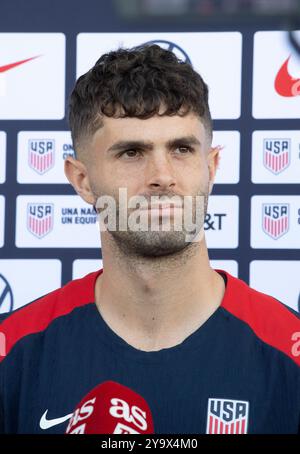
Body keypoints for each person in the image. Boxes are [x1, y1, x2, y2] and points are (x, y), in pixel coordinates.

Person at [0, 44, 299, 434]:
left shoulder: (288, 354)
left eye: (181, 149)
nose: (162, 175)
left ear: (210, 168)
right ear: (82, 180)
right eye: (131, 153)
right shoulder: (14, 354)